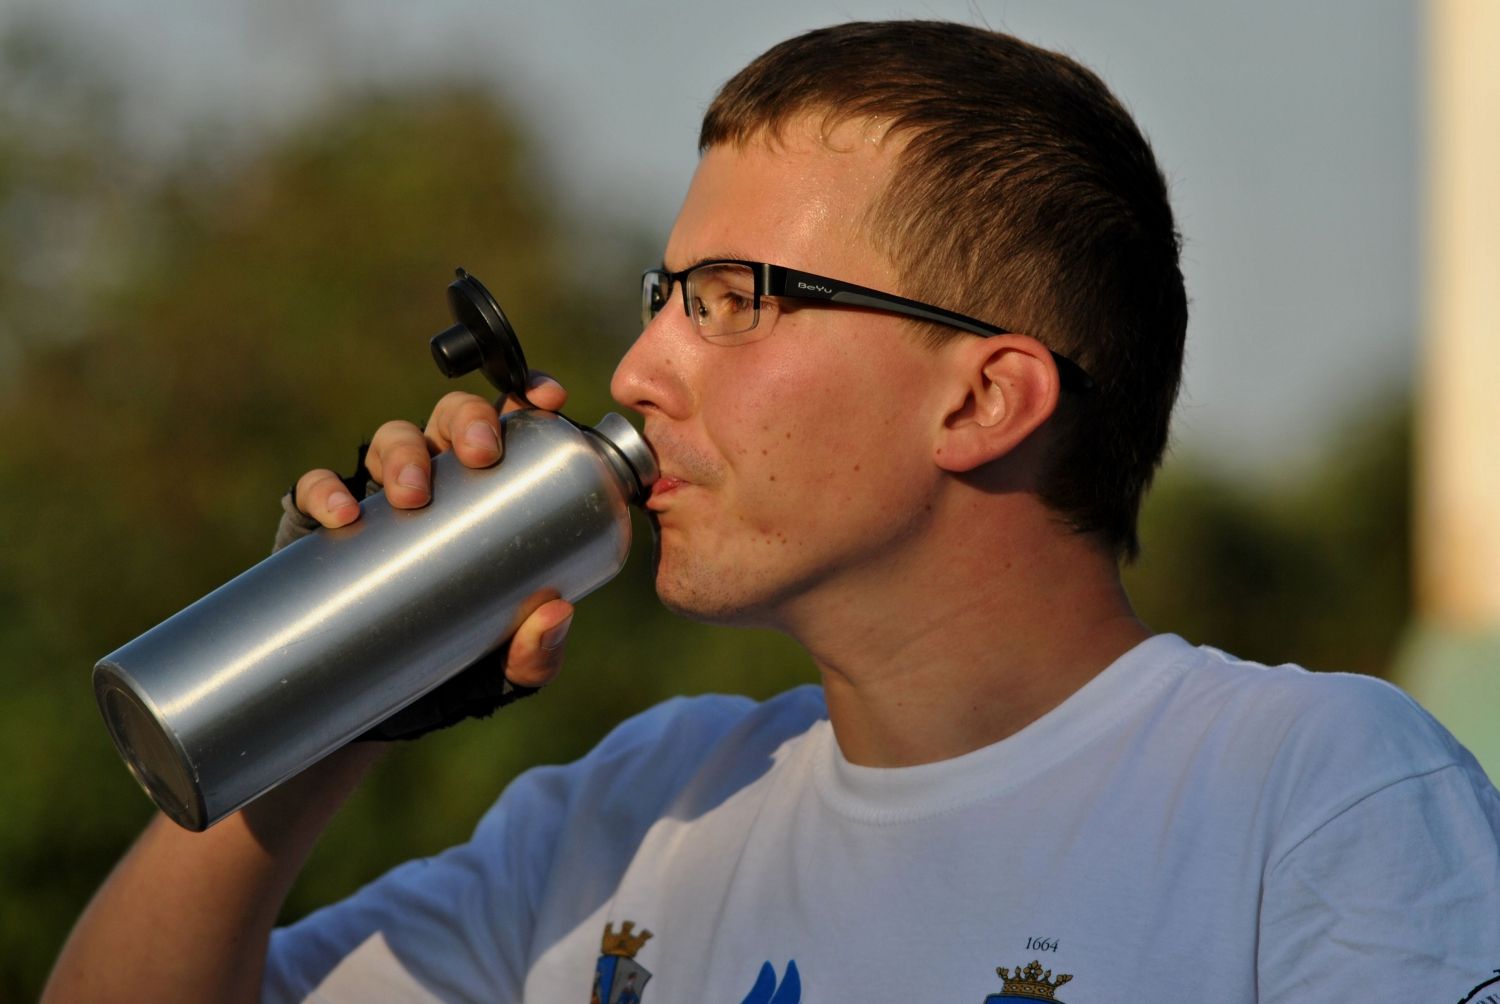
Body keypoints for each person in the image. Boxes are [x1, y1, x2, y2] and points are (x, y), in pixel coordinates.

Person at [45, 20, 1500, 1004]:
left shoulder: (1310, 791)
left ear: (984, 399)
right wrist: (331, 689)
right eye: (663, 294)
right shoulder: (639, 813)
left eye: (735, 300)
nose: (637, 370)